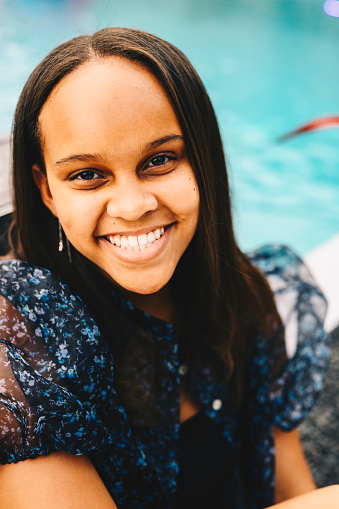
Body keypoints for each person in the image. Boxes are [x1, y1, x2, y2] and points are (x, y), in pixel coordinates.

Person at [0, 27, 335, 509]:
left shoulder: (245, 297)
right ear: (47, 190)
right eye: (88, 175)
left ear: (204, 162)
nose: (133, 206)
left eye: (160, 160)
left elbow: (290, 487)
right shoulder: (19, 336)